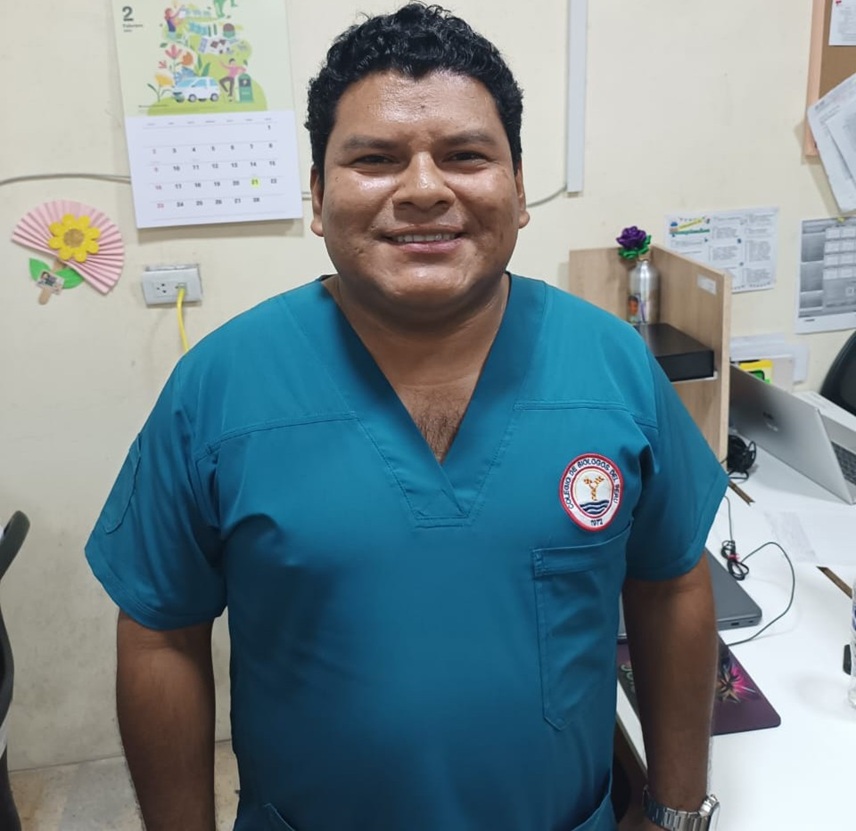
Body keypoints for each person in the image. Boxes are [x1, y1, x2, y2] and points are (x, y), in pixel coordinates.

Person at [85, 4, 726, 830]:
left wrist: (677, 812)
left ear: (519, 190)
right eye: (376, 159)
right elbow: (160, 633)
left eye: (465, 155)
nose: (424, 189)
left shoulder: (611, 365)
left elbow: (671, 584)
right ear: (318, 196)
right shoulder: (219, 386)